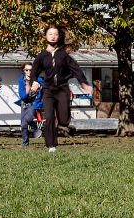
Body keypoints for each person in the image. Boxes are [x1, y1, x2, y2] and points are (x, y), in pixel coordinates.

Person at [28, 25, 93, 153]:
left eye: (56, 34)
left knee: (63, 120)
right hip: (48, 90)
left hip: (62, 89)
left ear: (59, 36)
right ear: (46, 36)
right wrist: (34, 82)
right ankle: (51, 145)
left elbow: (76, 69)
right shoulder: (41, 56)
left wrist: (84, 83)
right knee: (50, 117)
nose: (53, 36)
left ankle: (62, 124)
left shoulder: (63, 55)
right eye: (50, 34)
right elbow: (34, 72)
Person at [16, 63, 44, 147]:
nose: (28, 72)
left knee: (27, 120)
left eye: (31, 70)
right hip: (24, 103)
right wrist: (27, 90)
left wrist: (39, 87)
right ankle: (25, 142)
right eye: (26, 70)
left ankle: (35, 129)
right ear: (23, 71)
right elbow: (22, 95)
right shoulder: (21, 80)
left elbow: (45, 89)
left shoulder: (39, 79)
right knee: (23, 124)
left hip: (34, 103)